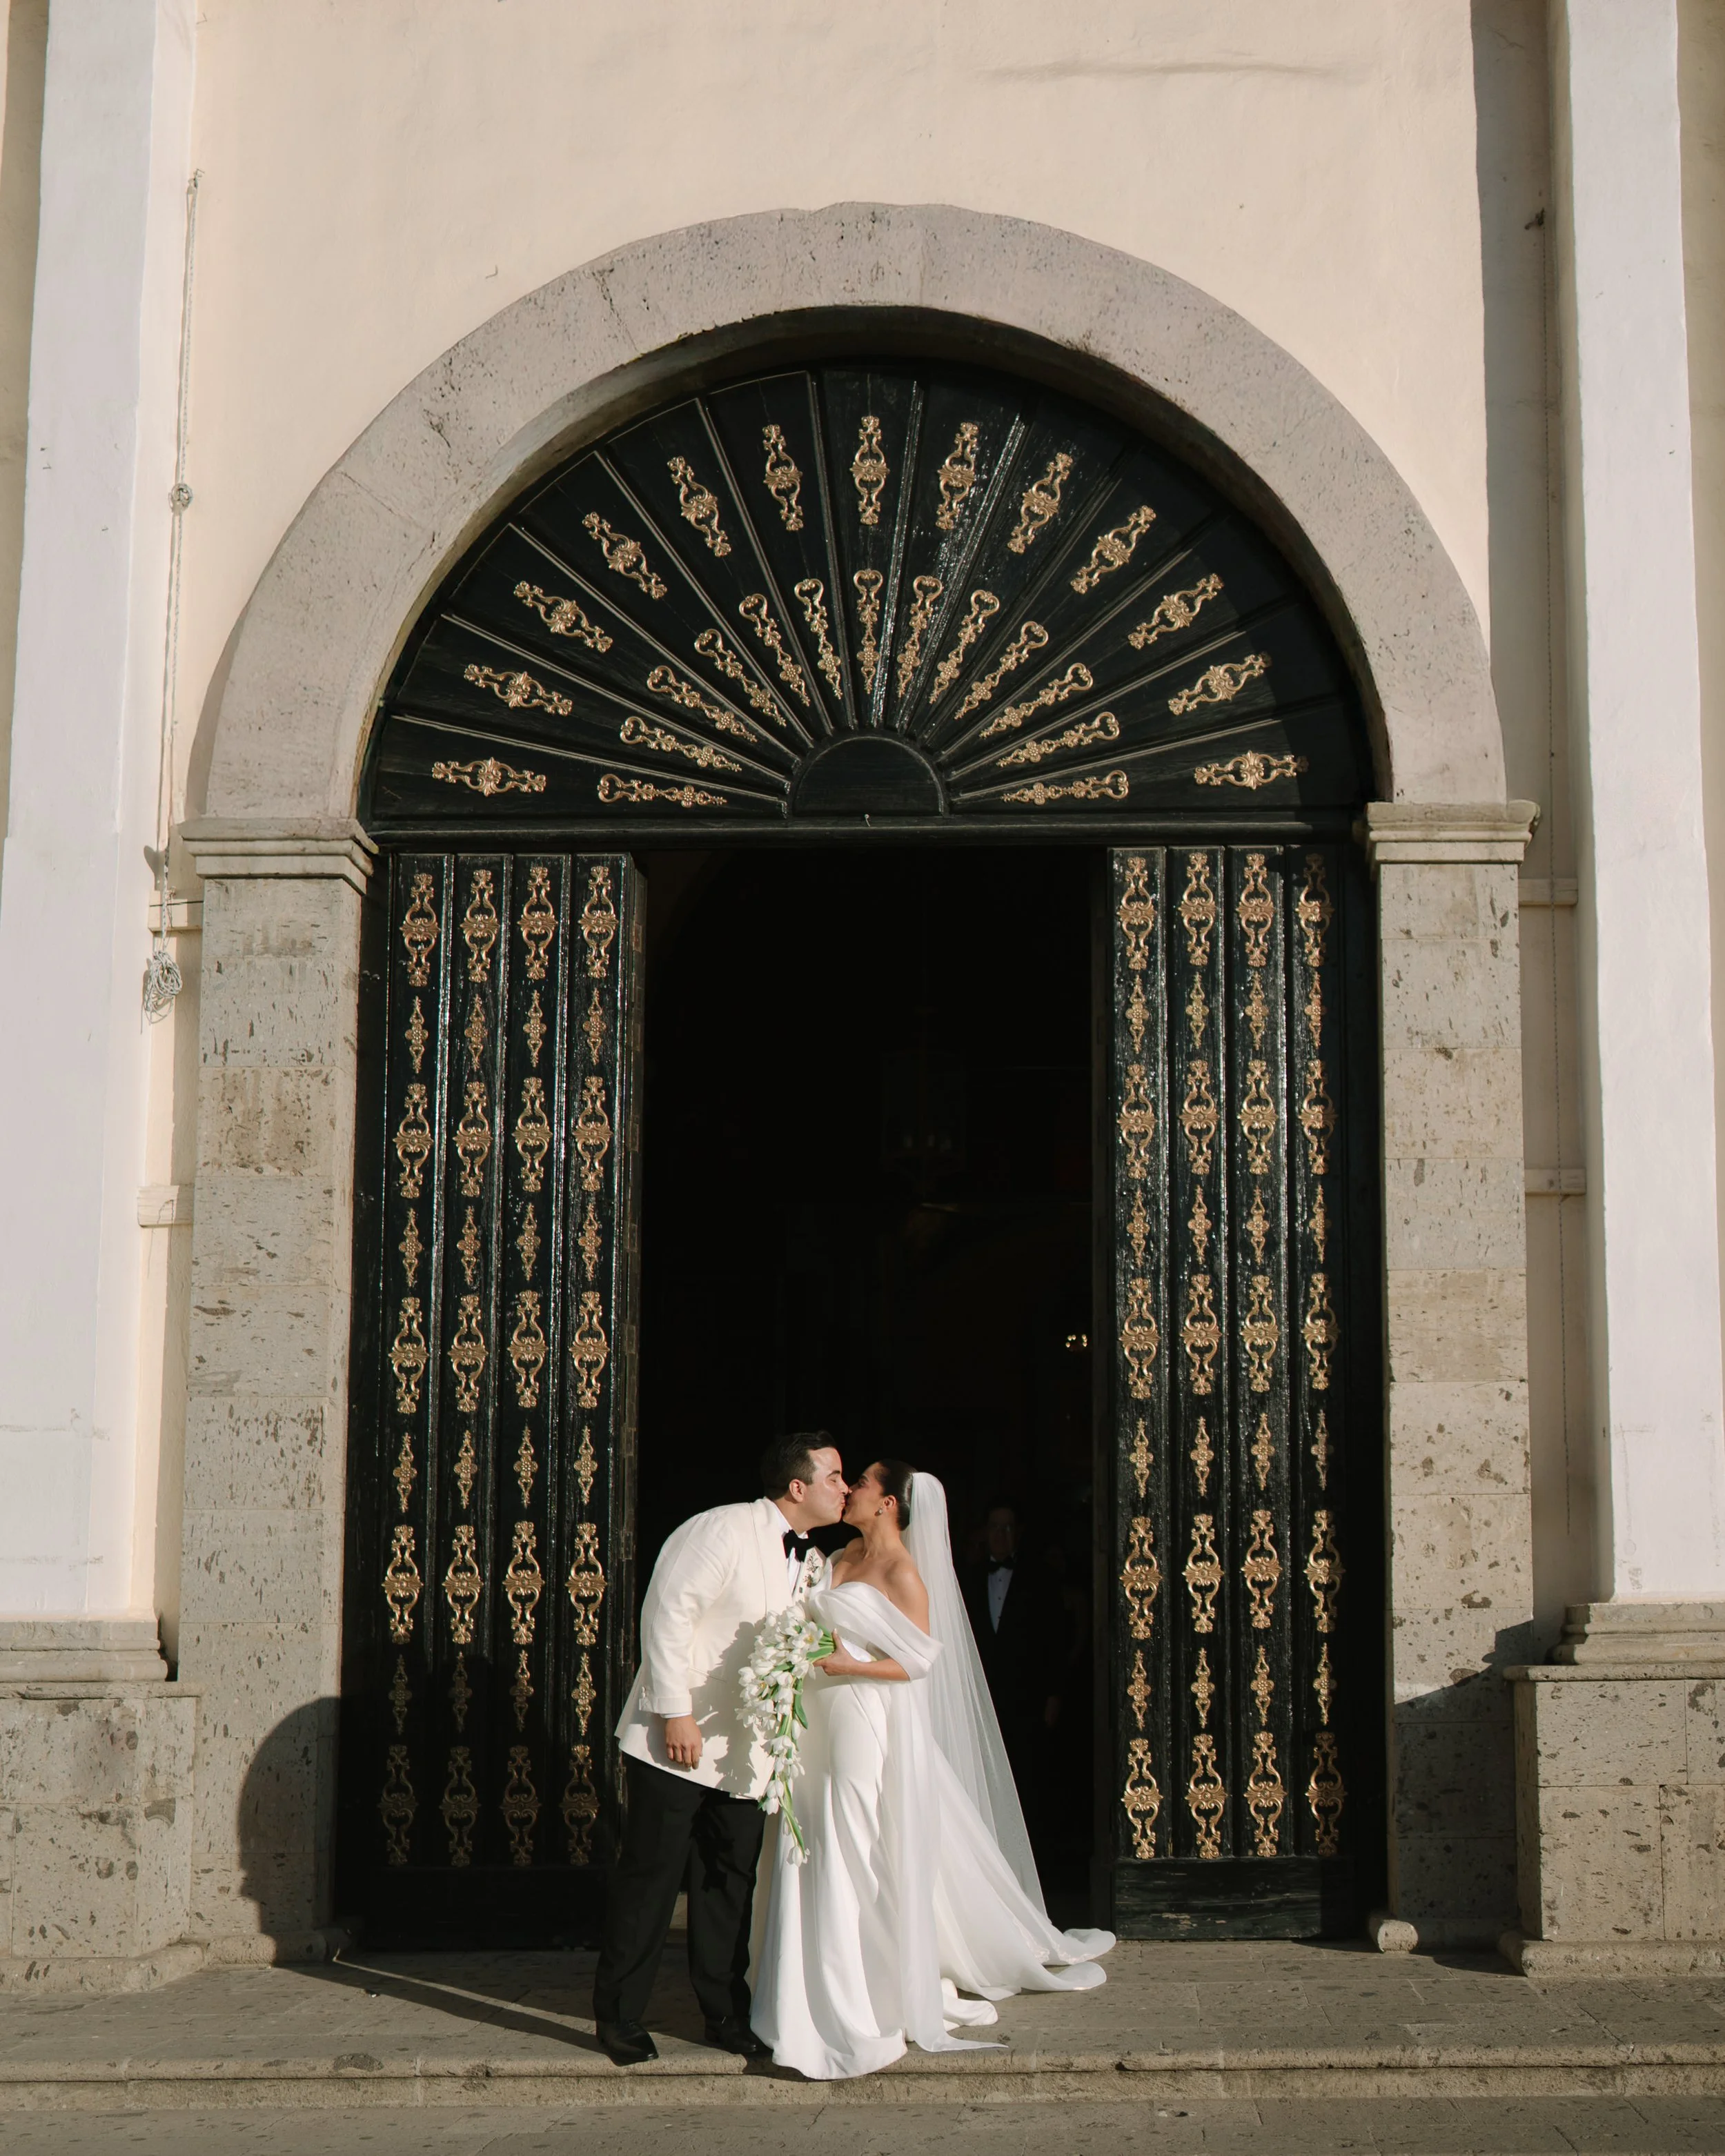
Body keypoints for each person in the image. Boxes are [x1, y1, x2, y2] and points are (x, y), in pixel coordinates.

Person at [749, 1461, 1114, 2081]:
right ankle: (796, 1980)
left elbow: (917, 1663)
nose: (850, 1490)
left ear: (888, 1502)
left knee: (851, 1842)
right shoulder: (839, 1552)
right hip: (816, 1722)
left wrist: (846, 1666)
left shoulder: (903, 1573)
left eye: (860, 1483)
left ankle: (857, 1989)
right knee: (806, 1834)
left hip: (862, 1718)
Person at [591, 1432, 848, 2066]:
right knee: (651, 1879)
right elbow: (668, 1614)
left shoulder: (814, 1560)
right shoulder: (720, 1528)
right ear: (798, 1486)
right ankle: (619, 2015)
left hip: (749, 1754)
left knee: (727, 1882)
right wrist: (674, 1711)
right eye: (836, 1476)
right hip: (676, 1740)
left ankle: (724, 2011)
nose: (844, 1487)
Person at [960, 1500, 1065, 1832]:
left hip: (1027, 1696)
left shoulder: (1041, 1579)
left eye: (1008, 1528)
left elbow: (1054, 1639)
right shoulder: (968, 1579)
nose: (1001, 1535)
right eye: (995, 1527)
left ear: (1017, 1533)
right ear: (985, 1532)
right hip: (982, 1695)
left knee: (1027, 1777)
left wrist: (1054, 1694)